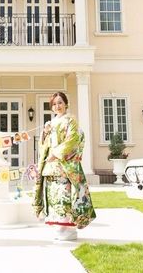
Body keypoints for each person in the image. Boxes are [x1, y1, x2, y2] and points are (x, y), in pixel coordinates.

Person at [33, 91, 96, 241]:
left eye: (60, 102)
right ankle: (59, 229)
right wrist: (45, 133)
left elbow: (72, 140)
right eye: (54, 104)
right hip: (51, 167)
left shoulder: (70, 121)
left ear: (66, 104)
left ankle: (69, 230)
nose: (57, 106)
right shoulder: (51, 123)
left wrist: (56, 153)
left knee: (65, 197)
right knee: (54, 198)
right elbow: (44, 145)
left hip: (64, 167)